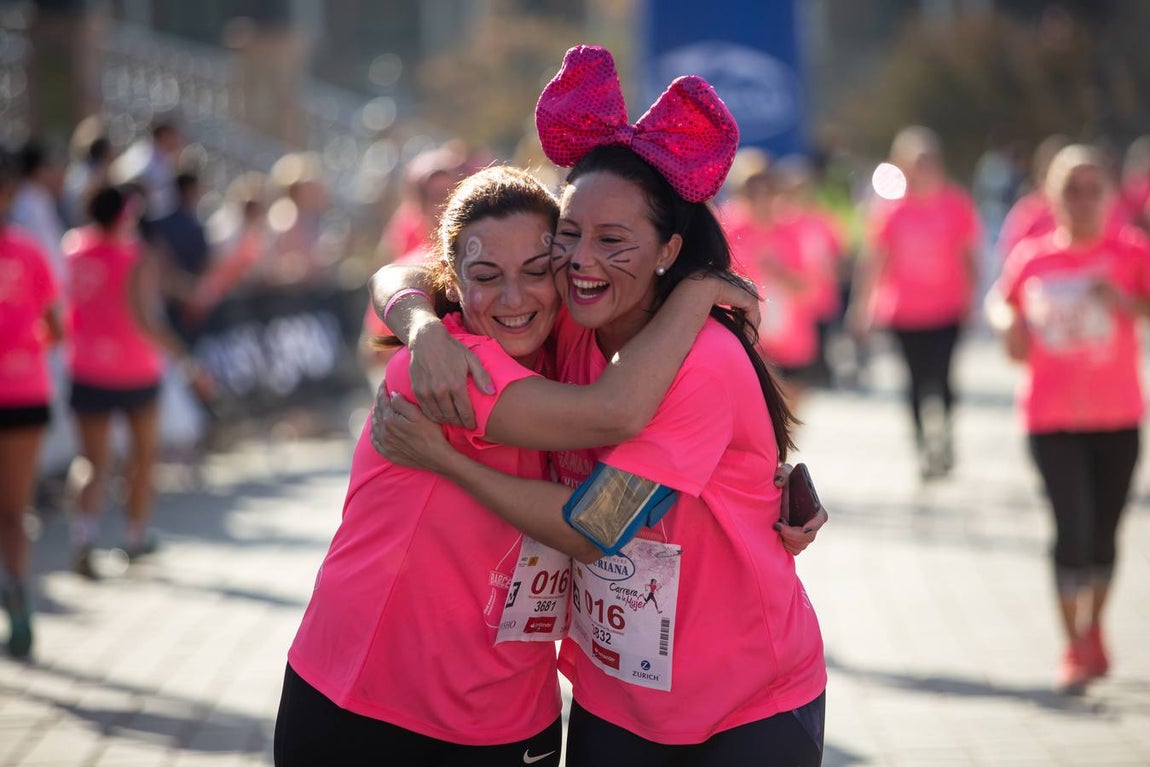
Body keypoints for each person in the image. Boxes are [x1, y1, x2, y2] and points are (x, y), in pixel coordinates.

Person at [371, 45, 827, 766]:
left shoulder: (703, 363)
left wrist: (444, 459)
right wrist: (421, 327)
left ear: (667, 250)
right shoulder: (567, 322)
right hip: (614, 696)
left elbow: (597, 525)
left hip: (744, 702)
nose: (581, 260)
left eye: (613, 240)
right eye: (569, 234)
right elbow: (405, 272)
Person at [275, 164, 764, 766]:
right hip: (371, 700)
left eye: (537, 271)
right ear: (454, 279)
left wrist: (767, 485)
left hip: (519, 712)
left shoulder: (577, 342)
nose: (514, 298)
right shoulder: (446, 368)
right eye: (486, 277)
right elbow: (610, 434)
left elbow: (674, 444)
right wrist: (422, 328)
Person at [988, 144, 1150, 694]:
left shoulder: (1131, 251)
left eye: (1092, 190)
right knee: (1071, 528)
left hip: (1118, 415)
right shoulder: (1033, 257)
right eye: (1071, 191)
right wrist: (1008, 325)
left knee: (1104, 534)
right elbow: (1001, 300)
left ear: (1108, 196)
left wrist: (1124, 301)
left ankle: (1096, 625)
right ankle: (1072, 645)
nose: (1082, 201)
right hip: (1051, 417)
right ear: (1052, 198)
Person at [63, 185, 207, 578]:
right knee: (142, 459)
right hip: (134, 370)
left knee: (91, 461)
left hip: (86, 367)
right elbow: (146, 318)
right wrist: (185, 359)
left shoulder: (72, 249)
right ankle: (135, 537)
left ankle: (84, 536)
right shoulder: (134, 256)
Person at [851, 126, 981, 480]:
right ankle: (923, 446)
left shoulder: (956, 204)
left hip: (947, 308)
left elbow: (970, 256)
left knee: (942, 378)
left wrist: (973, 300)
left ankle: (946, 436)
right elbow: (874, 261)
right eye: (916, 161)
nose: (923, 168)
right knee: (914, 381)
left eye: (928, 160)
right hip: (905, 312)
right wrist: (862, 306)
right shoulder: (890, 209)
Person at [0, 152, 64, 658]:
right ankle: (18, 598)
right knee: (14, 509)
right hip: (24, 390)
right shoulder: (28, 251)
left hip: (23, 393)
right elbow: (56, 328)